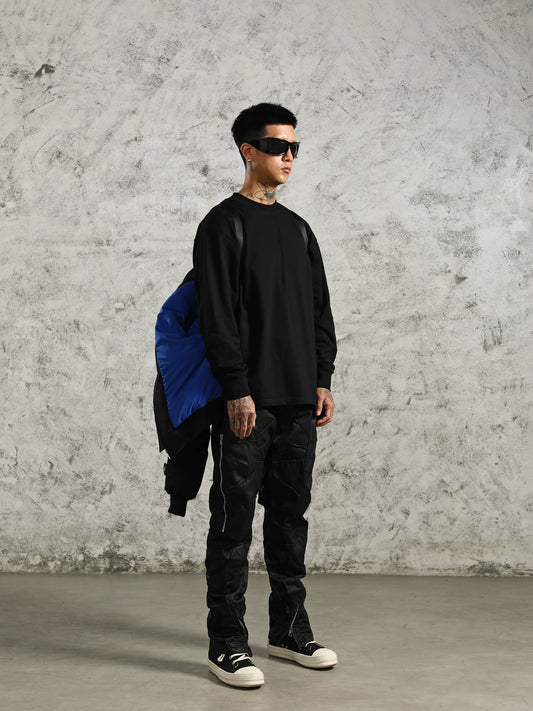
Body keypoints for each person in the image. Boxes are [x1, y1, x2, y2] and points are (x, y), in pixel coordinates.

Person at [192, 102, 337, 689]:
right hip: (247, 404)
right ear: (248, 151)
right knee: (233, 524)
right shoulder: (222, 224)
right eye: (278, 146)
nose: (289, 157)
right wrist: (236, 388)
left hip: (299, 399)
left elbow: (320, 311)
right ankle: (226, 643)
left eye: (295, 147)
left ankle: (289, 631)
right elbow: (216, 316)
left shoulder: (299, 228)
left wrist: (323, 378)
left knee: (290, 519)